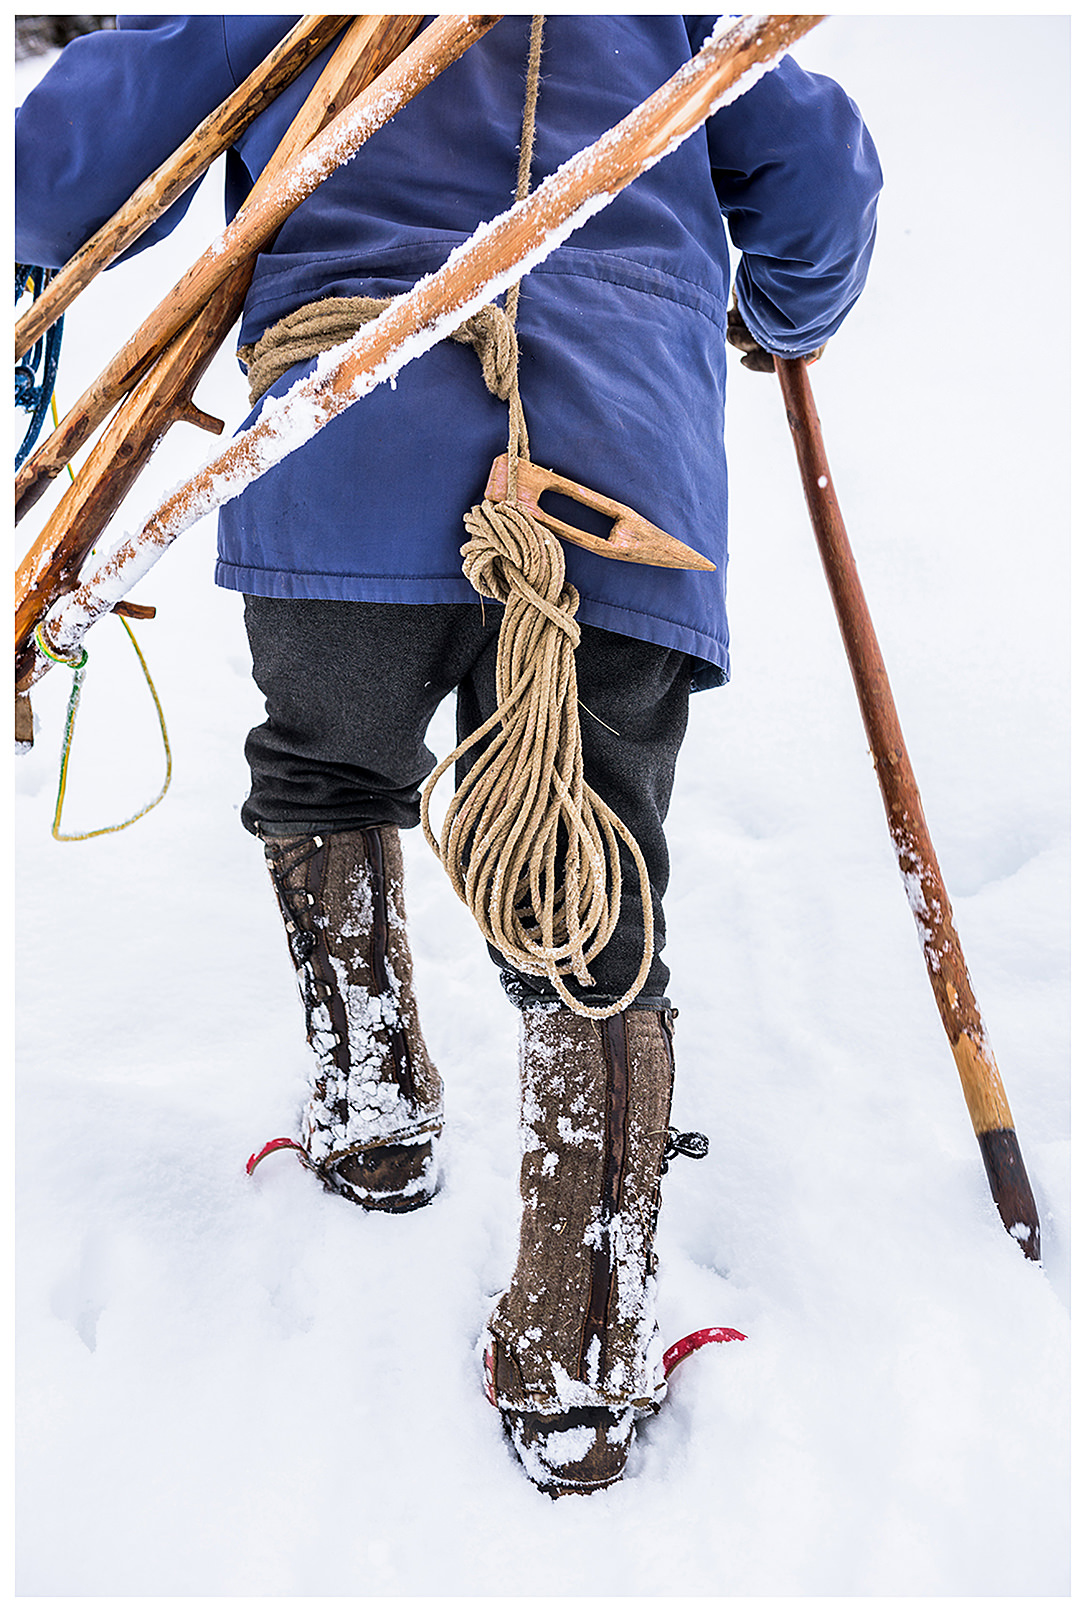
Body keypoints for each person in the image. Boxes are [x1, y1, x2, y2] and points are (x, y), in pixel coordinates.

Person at [15, 14, 881, 1495]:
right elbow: (812, 165)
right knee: (583, 885)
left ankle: (369, 1113)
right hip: (617, 474)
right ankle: (577, 1358)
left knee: (327, 772)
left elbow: (67, 159)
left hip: (345, 440)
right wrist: (785, 316)